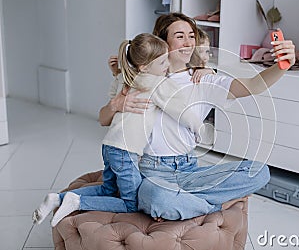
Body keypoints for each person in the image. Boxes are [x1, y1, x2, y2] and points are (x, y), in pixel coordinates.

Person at [100, 12, 296, 221]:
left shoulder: (202, 79)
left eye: (191, 36)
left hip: (189, 169)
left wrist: (282, 65)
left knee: (259, 171)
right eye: (179, 35)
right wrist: (115, 105)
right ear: (162, 41)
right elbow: (103, 120)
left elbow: (252, 86)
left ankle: (184, 203)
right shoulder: (143, 78)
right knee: (158, 198)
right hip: (152, 172)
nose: (188, 42)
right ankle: (212, 205)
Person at [32, 33, 205, 227]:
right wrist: (198, 127)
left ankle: (57, 199)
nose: (167, 66)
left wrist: (117, 73)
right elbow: (180, 109)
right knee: (131, 204)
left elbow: (116, 88)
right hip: (125, 151)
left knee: (108, 189)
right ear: (144, 67)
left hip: (109, 146)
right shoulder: (157, 83)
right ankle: (77, 201)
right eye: (163, 62)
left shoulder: (126, 78)